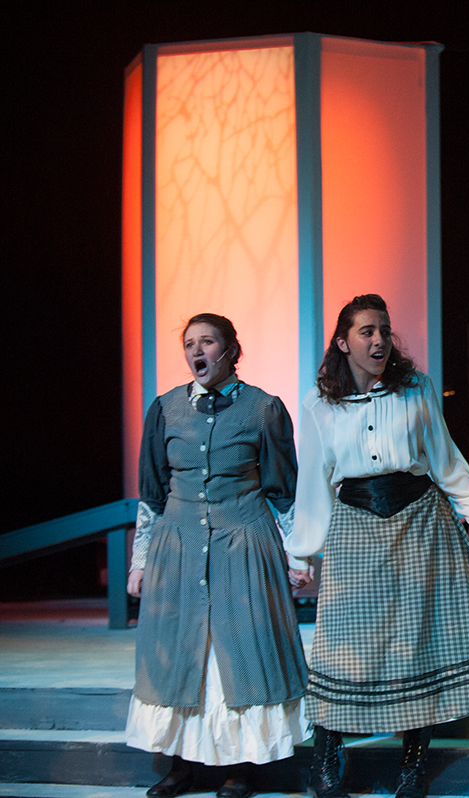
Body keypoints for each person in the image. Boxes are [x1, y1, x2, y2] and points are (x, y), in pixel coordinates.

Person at [285, 294, 469, 798]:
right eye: (367, 331)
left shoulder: (415, 388)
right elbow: (314, 481)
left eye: (384, 331)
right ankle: (325, 760)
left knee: (417, 645)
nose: (379, 340)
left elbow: (446, 461)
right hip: (355, 523)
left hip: (418, 521)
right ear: (343, 342)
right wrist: (301, 553)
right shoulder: (319, 403)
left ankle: (413, 766)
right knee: (342, 646)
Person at [125, 313, 310, 798]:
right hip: (179, 546)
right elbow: (152, 494)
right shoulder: (165, 409)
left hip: (244, 542)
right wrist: (140, 561)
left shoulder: (263, 409)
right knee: (180, 653)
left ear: (231, 350)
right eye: (189, 343)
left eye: (207, 342)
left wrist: (298, 556)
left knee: (239, 653)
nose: (196, 351)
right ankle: (179, 765)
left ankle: (239, 768)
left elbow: (284, 492)